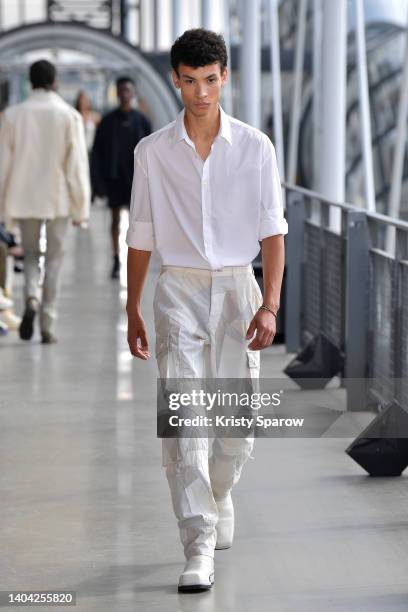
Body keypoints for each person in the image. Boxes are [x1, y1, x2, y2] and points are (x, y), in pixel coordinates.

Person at [126, 28, 288, 592]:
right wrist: (133, 310)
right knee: (185, 422)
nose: (201, 92)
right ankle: (196, 542)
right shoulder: (152, 153)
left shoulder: (256, 147)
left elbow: (272, 233)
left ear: (225, 77)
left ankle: (219, 494)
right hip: (178, 291)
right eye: (190, 81)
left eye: (210, 80)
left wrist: (269, 306)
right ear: (175, 78)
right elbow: (140, 237)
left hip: (240, 289)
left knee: (237, 424)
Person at [0, 60, 90, 344]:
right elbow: (75, 166)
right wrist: (81, 207)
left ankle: (30, 296)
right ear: (54, 82)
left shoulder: (13, 115)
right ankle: (47, 322)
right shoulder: (68, 115)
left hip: (24, 197)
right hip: (58, 198)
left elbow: (3, 163)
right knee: (54, 259)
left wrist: (2, 204)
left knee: (29, 255)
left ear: (30, 81)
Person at [91, 76, 152, 279]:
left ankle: (135, 260)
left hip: (138, 179)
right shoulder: (107, 122)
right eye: (121, 90)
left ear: (133, 93)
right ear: (117, 93)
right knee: (115, 220)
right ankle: (116, 258)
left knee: (138, 223)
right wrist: (98, 183)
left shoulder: (142, 121)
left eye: (128, 90)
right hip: (115, 178)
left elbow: (153, 152)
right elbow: (97, 153)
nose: (125, 94)